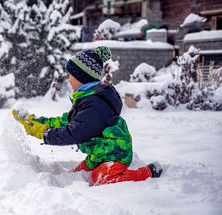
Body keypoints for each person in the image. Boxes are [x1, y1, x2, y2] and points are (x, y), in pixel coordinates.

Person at [12, 46, 162, 186]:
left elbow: (75, 133)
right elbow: (65, 121)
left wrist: (44, 133)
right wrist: (36, 122)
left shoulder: (95, 104)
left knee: (102, 178)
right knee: (75, 175)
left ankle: (148, 172)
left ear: (82, 77)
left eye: (71, 76)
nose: (68, 80)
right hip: (99, 155)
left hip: (115, 155)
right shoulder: (87, 99)